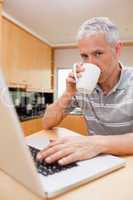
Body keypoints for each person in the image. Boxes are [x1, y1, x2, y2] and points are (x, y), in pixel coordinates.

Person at [37, 17, 133, 165]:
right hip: (94, 161)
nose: (90, 63)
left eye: (98, 54)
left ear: (117, 50)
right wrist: (68, 93)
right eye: (84, 56)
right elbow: (46, 123)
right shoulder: (82, 85)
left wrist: (97, 143)